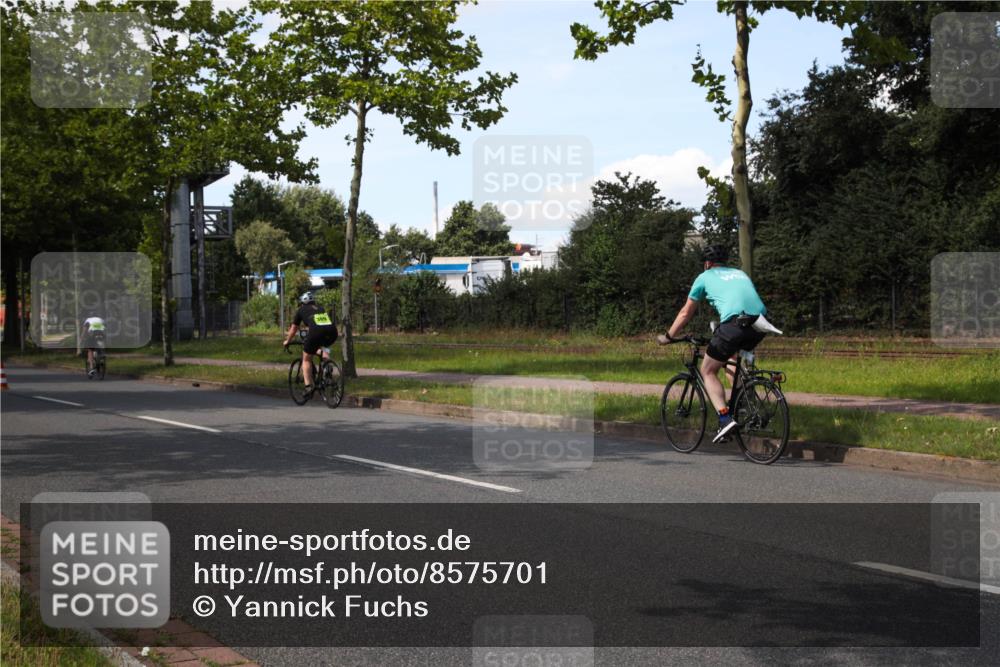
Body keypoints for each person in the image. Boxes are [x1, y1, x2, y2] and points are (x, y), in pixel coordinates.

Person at [661, 244, 768, 443]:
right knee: (730, 357)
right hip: (760, 324)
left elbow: (685, 313)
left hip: (735, 324)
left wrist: (668, 337)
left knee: (708, 370)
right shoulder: (739, 273)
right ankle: (745, 403)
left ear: (707, 263)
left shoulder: (704, 277)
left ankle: (725, 418)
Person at [282, 292, 338, 395]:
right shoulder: (320, 308)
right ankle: (327, 371)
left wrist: (287, 341)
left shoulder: (301, 310)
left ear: (303, 302)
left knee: (306, 359)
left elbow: (294, 328)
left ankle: (308, 387)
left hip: (316, 332)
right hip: (332, 332)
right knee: (322, 348)